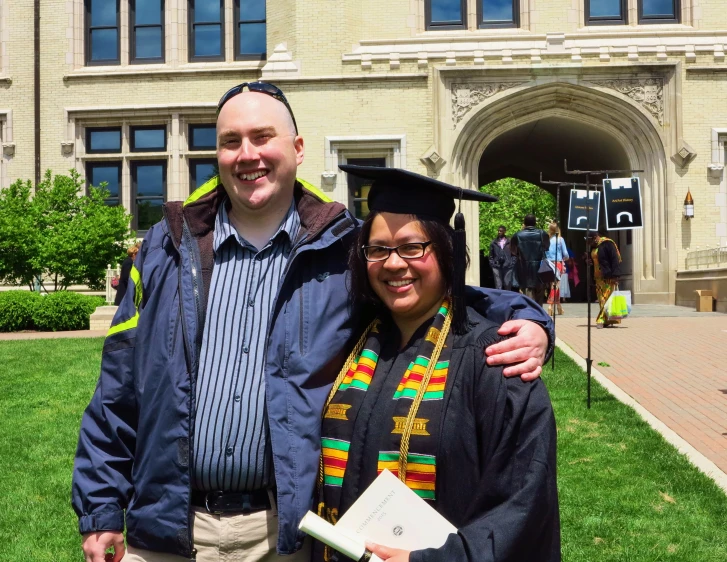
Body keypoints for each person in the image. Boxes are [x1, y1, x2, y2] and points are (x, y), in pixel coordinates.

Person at [72, 82, 554, 562]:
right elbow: (118, 384)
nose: (247, 154)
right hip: (166, 530)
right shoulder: (165, 245)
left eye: (263, 137)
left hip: (283, 534)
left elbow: (436, 291)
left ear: (297, 149)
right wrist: (100, 507)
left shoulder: (339, 248)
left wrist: (531, 319)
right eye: (230, 141)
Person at [315, 165, 560, 562]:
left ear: (446, 251)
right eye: (378, 249)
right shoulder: (353, 344)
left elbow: (524, 504)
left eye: (413, 247)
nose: (394, 264)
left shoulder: (497, 360)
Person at [510, 215, 549, 306]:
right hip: (540, 270)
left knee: (528, 298)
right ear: (535, 222)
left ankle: (530, 316)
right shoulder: (542, 233)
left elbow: (513, 252)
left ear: (524, 223)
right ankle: (539, 316)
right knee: (539, 298)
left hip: (524, 270)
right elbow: (546, 247)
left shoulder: (517, 235)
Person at [588, 232, 622, 328]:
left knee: (606, 299)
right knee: (601, 299)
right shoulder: (595, 246)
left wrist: (615, 276)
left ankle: (601, 320)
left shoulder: (607, 244)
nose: (589, 244)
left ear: (595, 237)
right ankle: (607, 319)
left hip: (608, 276)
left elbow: (615, 259)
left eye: (590, 241)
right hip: (598, 278)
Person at [545, 223, 568, 316]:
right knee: (555, 285)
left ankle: (559, 307)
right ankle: (550, 305)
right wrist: (564, 259)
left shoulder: (547, 240)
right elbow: (566, 254)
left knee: (554, 285)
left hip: (548, 264)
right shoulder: (560, 240)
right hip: (557, 263)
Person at [488, 225, 514, 291]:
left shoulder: (510, 242)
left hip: (508, 266)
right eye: (498, 231)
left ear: (504, 231)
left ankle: (508, 299)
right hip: (497, 266)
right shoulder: (494, 242)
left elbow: (514, 254)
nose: (499, 232)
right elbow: (491, 255)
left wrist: (512, 263)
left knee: (507, 284)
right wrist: (492, 264)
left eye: (501, 231)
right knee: (498, 285)